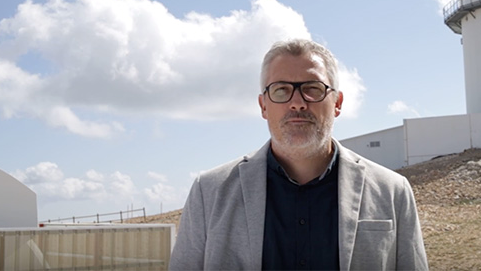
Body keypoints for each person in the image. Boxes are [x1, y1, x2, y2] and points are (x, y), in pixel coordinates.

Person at [169, 39, 428, 270]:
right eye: (281, 90)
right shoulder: (209, 192)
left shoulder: (393, 191)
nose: (297, 102)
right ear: (263, 106)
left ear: (337, 103)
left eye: (313, 88)